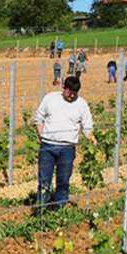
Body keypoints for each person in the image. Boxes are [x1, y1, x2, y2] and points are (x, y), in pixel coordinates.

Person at [34, 75, 95, 209]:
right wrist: (41, 134)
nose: (71, 96)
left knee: (63, 180)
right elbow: (39, 118)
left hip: (67, 148)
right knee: (44, 180)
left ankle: (60, 209)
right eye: (69, 92)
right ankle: (42, 209)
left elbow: (87, 127)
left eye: (74, 94)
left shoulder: (82, 104)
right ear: (64, 88)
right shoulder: (50, 98)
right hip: (47, 146)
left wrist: (91, 138)